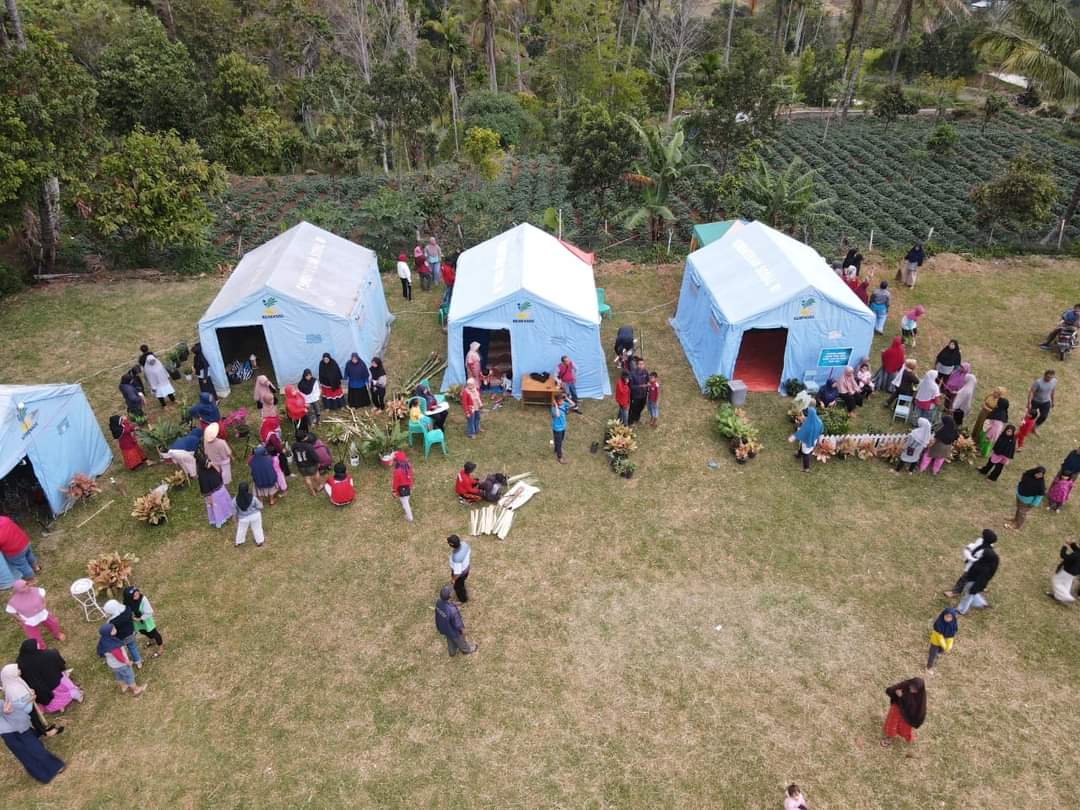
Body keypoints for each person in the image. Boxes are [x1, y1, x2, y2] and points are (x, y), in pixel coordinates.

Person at [0, 694, 65, 783]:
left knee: (33, 748)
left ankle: (53, 767)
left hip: (18, 724)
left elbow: (11, 704)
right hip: (7, 731)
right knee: (25, 754)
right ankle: (43, 774)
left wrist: (26, 699)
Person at [15, 640, 82, 714]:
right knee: (67, 687)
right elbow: (60, 664)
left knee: (51, 701)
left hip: (42, 693)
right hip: (56, 684)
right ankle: (75, 695)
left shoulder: (19, 663)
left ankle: (59, 706)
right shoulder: (49, 654)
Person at [6, 580, 64, 649]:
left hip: (42, 614)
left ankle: (57, 634)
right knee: (34, 637)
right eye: (24, 587)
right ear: (18, 590)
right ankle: (41, 647)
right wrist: (19, 619)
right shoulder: (13, 601)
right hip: (29, 620)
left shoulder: (36, 591)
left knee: (53, 624)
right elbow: (11, 611)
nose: (27, 587)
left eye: (27, 584)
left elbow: (43, 596)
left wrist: (44, 604)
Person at [944, 529, 997, 598]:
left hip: (976, 567)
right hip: (976, 565)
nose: (982, 536)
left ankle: (955, 592)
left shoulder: (987, 550)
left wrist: (972, 558)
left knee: (965, 578)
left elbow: (979, 557)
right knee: (973, 579)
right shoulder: (980, 541)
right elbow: (975, 546)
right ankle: (980, 587)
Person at [96, 623, 145, 696]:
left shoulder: (104, 640)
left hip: (112, 665)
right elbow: (119, 657)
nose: (115, 629)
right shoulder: (113, 646)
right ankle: (136, 690)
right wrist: (127, 662)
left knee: (119, 676)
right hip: (121, 665)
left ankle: (124, 687)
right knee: (129, 676)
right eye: (113, 630)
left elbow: (100, 651)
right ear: (108, 633)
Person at [956, 538, 999, 614]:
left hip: (974, 583)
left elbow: (981, 579)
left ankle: (961, 610)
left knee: (968, 596)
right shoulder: (985, 564)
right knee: (970, 593)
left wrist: (974, 588)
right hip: (972, 580)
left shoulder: (984, 569)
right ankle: (981, 603)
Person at [196, 449, 235, 528]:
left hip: (221, 489)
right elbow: (205, 489)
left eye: (208, 462)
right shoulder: (202, 476)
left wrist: (213, 464)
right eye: (207, 463)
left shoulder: (212, 468)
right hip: (213, 496)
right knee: (218, 508)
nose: (209, 464)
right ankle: (220, 519)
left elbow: (219, 472)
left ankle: (229, 514)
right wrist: (209, 499)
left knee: (225, 504)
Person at [434, 584, 476, 656]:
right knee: (459, 639)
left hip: (443, 627)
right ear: (449, 597)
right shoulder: (453, 610)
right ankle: (466, 650)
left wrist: (453, 604)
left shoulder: (438, 602)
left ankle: (452, 652)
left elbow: (444, 608)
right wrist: (461, 630)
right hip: (453, 630)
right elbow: (458, 623)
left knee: (450, 638)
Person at [882, 677, 926, 745]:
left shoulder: (920, 698)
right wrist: (895, 691)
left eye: (915, 689)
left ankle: (909, 738)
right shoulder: (905, 685)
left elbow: (914, 709)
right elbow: (890, 690)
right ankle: (889, 738)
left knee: (905, 728)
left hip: (907, 715)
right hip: (897, 709)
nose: (912, 689)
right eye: (912, 687)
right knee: (891, 724)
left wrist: (903, 696)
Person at [103, 597, 143, 670]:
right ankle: (138, 662)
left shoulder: (112, 621)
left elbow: (111, 629)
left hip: (120, 638)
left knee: (122, 651)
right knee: (132, 647)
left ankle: (125, 662)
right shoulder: (127, 609)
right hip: (131, 633)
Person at [122, 585, 164, 655]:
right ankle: (151, 641)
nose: (137, 595)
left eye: (137, 593)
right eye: (135, 595)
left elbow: (149, 612)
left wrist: (139, 618)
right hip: (136, 622)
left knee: (154, 633)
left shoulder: (143, 599)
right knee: (143, 631)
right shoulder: (127, 602)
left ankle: (161, 647)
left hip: (146, 620)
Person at [1005, 466, 1046, 530]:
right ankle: (1015, 519)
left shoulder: (1040, 484)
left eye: (1041, 475)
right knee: (1018, 509)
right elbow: (1022, 482)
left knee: (1022, 513)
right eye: (1038, 474)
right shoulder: (1028, 475)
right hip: (1020, 496)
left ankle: (1018, 526)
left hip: (1027, 501)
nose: (1039, 476)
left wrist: (1034, 503)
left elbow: (1039, 495)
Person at [789, 406, 823, 473]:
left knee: (806, 453)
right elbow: (821, 431)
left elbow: (801, 432)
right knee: (802, 447)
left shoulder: (808, 425)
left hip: (807, 441)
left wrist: (792, 438)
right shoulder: (819, 421)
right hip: (814, 439)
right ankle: (798, 454)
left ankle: (806, 468)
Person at [233, 482, 266, 546]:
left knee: (241, 530)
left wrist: (235, 521)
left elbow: (234, 512)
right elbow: (261, 507)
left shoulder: (235, 500)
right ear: (247, 489)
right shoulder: (253, 498)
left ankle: (238, 542)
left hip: (243, 518)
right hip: (255, 516)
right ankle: (259, 541)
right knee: (257, 528)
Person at [926, 608, 958, 674]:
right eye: (946, 616)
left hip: (945, 641)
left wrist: (948, 646)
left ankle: (938, 653)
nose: (948, 618)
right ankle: (928, 668)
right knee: (932, 654)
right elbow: (939, 637)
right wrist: (945, 646)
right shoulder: (939, 623)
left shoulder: (953, 624)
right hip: (936, 641)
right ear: (943, 615)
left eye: (950, 617)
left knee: (941, 650)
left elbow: (951, 636)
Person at [290, 433, 322, 497]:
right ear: (303, 439)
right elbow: (314, 456)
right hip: (311, 465)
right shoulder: (308, 446)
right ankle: (318, 487)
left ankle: (312, 492)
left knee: (306, 477)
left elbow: (294, 455)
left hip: (301, 465)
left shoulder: (293, 446)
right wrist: (318, 462)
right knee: (316, 474)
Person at [203, 422, 233, 486]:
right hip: (224, 461)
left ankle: (219, 481)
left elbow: (206, 452)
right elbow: (229, 453)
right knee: (226, 472)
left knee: (217, 472)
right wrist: (232, 457)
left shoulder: (205, 441)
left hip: (213, 461)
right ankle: (226, 482)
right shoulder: (222, 442)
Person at [1026, 369, 1056, 434]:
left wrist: (1053, 401)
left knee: (1044, 416)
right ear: (1044, 375)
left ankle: (1034, 428)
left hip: (1046, 402)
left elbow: (1052, 391)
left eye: (1051, 377)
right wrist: (1029, 403)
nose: (1049, 379)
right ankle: (1025, 426)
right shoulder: (1038, 382)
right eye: (1048, 377)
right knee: (1031, 415)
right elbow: (1031, 392)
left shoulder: (1054, 381)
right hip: (1035, 401)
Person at [391, 450, 414, 522]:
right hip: (408, 487)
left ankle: (409, 517)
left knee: (405, 502)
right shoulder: (408, 466)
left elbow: (395, 483)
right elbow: (411, 476)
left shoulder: (397, 471)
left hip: (401, 489)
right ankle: (406, 505)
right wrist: (411, 486)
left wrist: (394, 490)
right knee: (406, 499)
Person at [447, 535, 471, 603]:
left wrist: (453, 580)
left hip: (460, 574)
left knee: (458, 587)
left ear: (451, 544)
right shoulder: (465, 544)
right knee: (461, 584)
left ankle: (463, 599)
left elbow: (458, 573)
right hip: (467, 568)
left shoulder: (457, 558)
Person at [551, 392, 573, 464]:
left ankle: (556, 449)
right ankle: (560, 458)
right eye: (561, 400)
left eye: (562, 400)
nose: (562, 401)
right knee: (559, 442)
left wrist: (567, 398)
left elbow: (573, 405)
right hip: (557, 429)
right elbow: (557, 415)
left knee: (560, 440)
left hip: (563, 427)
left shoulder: (563, 404)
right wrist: (556, 406)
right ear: (557, 401)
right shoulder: (553, 408)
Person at [627, 358, 649, 425]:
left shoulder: (645, 372)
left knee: (641, 407)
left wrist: (649, 386)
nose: (641, 365)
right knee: (633, 409)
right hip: (635, 396)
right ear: (637, 365)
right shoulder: (632, 374)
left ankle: (637, 419)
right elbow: (631, 386)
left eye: (643, 364)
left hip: (643, 395)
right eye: (640, 364)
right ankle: (630, 422)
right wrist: (640, 386)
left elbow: (648, 380)